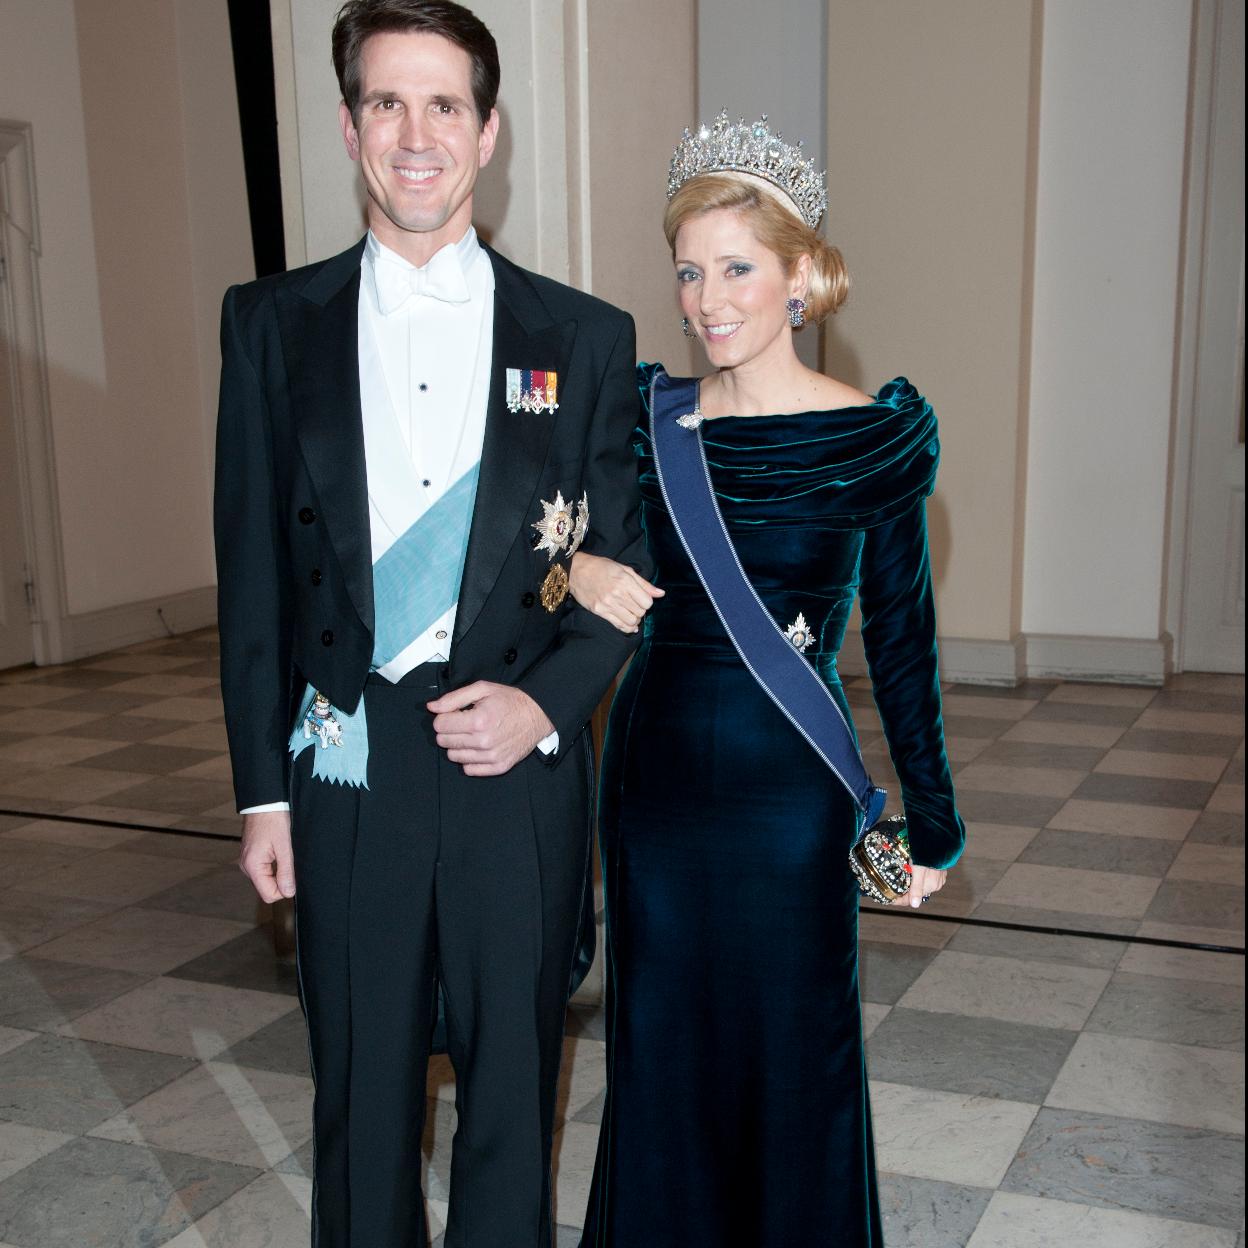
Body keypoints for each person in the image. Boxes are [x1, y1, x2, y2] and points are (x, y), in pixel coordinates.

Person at [212, 2, 648, 1244]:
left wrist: (546, 704)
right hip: (345, 762)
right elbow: (249, 578)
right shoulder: (267, 325)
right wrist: (262, 794)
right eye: (388, 103)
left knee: (514, 1083)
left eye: (444, 104)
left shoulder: (587, 336)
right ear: (351, 127)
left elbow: (623, 563)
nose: (418, 134)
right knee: (360, 1088)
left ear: (488, 130)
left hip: (515, 757)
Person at [569, 114, 966, 1246]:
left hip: (792, 798)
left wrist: (929, 826)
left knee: (797, 1051)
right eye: (689, 272)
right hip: (652, 787)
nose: (707, 299)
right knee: (662, 1051)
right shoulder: (650, 425)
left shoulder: (873, 440)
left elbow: (901, 643)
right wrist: (577, 569)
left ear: (801, 275)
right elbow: (531, 542)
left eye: (737, 267)